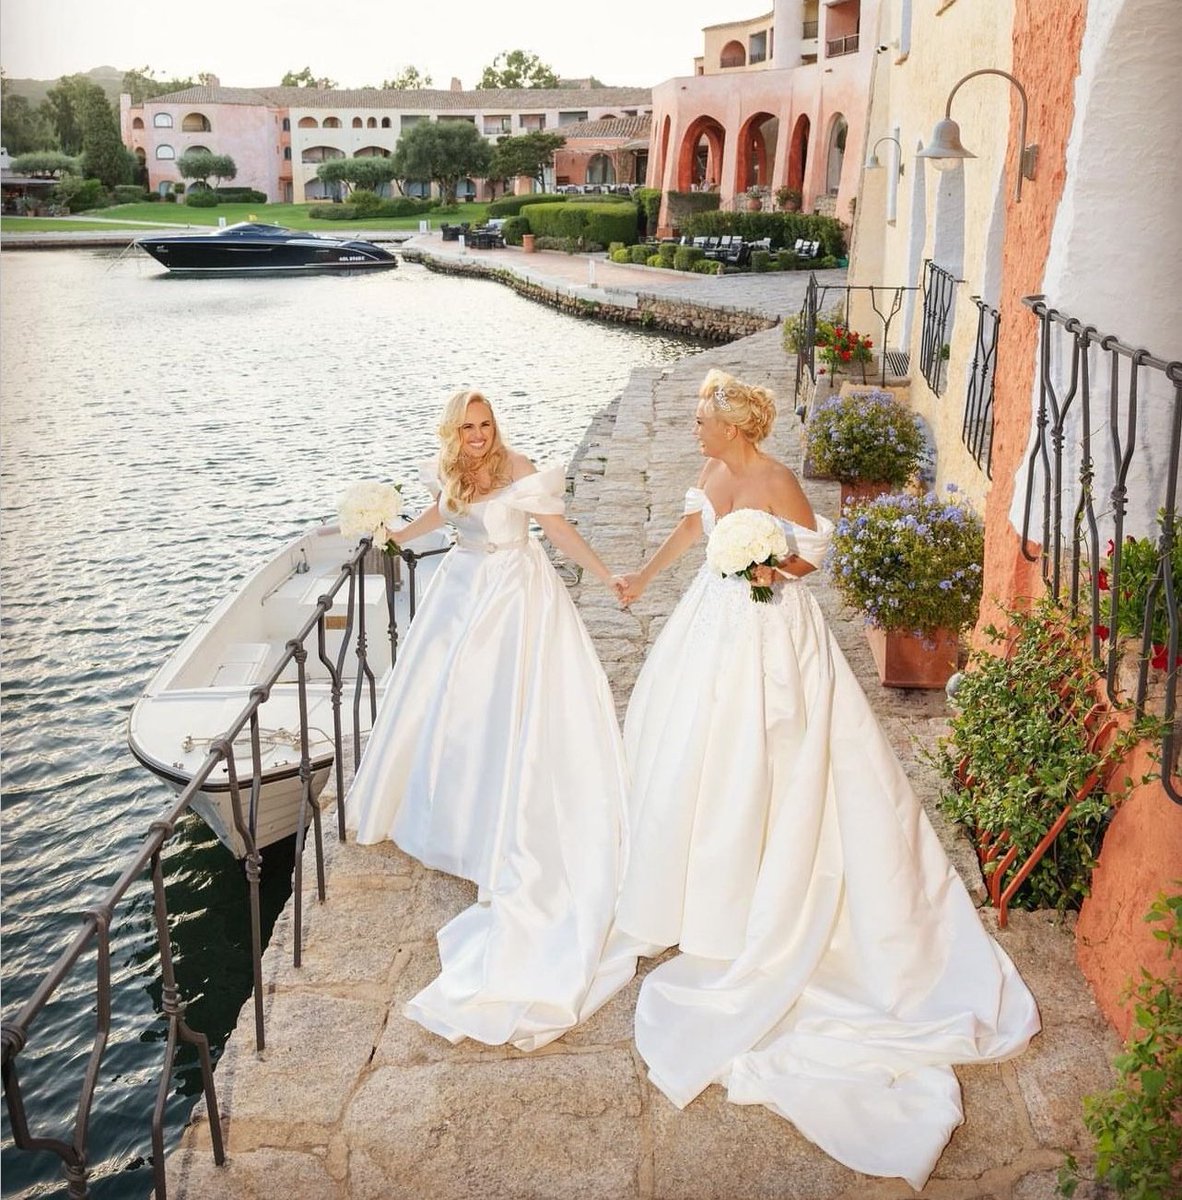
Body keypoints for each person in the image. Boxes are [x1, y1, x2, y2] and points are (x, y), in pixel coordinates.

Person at [613, 369, 1040, 1190]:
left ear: (734, 426)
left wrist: (769, 569)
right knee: (693, 746)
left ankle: (772, 871)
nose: (696, 430)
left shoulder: (776, 479)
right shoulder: (711, 469)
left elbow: (813, 552)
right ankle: (696, 878)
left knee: (778, 756)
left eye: (703, 420)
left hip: (771, 631)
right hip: (709, 623)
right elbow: (691, 530)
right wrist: (642, 576)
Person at [345, 388, 638, 1051]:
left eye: (485, 424)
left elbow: (556, 531)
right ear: (454, 431)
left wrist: (606, 574)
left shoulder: (519, 468)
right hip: (460, 590)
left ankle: (502, 821)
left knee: (506, 705)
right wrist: (393, 534)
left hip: (515, 595)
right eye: (468, 427)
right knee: (449, 707)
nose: (479, 435)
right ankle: (449, 813)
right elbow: (439, 514)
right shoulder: (450, 471)